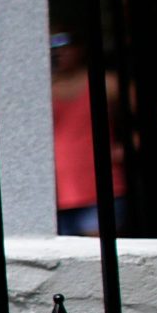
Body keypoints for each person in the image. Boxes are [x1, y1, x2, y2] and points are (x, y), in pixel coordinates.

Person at [52, 30, 127, 236]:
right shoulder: (40, 89)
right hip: (54, 192)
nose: (60, 53)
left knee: (101, 260)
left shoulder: (106, 83)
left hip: (101, 187)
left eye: (65, 46)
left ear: (79, 49)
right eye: (53, 48)